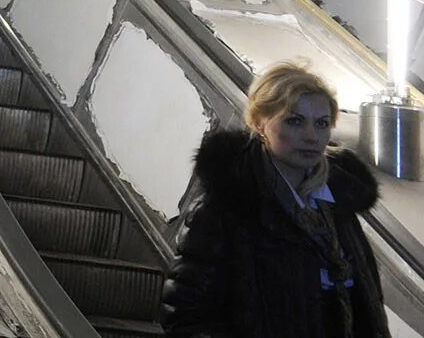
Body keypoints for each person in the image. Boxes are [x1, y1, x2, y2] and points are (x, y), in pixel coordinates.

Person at [161, 61, 390, 337]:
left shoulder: (338, 205)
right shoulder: (228, 207)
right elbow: (186, 314)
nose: (311, 136)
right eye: (294, 121)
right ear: (260, 123)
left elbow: (368, 306)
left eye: (322, 124)